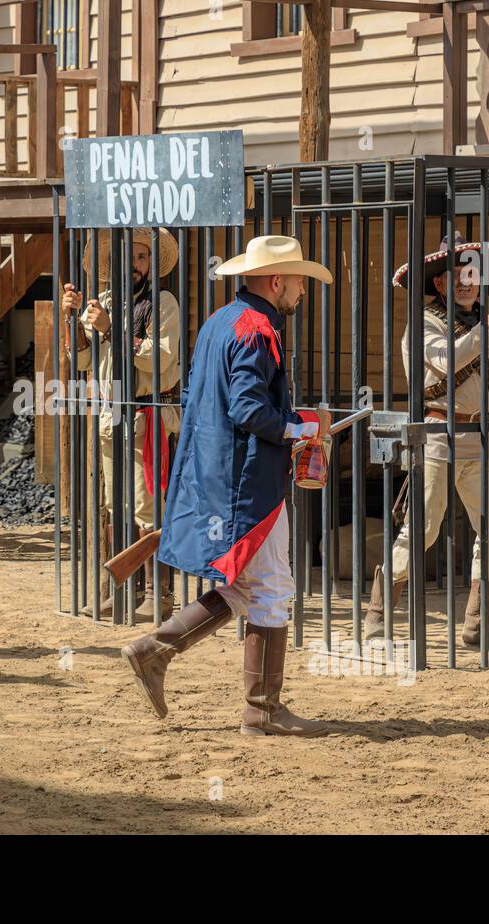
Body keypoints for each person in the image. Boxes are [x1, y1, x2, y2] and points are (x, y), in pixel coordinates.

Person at [120, 235, 333, 738]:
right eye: (298, 280)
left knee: (246, 586)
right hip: (247, 482)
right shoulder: (257, 328)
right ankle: (262, 711)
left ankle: (155, 651)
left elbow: (213, 401)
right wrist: (303, 429)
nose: (301, 291)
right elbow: (248, 409)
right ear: (277, 280)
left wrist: (293, 425)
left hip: (221, 474)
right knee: (272, 588)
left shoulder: (220, 321)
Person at [363, 235, 489, 649]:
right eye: (457, 276)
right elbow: (446, 359)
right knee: (423, 528)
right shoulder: (424, 323)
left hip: (482, 436)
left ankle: (480, 625)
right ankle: (377, 618)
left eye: (472, 274)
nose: (467, 282)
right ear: (439, 284)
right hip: (436, 435)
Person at [62, 227, 181, 620]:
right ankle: (126, 589)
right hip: (112, 418)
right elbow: (82, 361)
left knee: (149, 510)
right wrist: (72, 319)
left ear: (151, 263)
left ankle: (160, 595)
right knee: (117, 507)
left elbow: (157, 359)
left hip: (147, 416)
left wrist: (110, 328)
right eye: (129, 256)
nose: (135, 264)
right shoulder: (108, 301)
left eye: (142, 257)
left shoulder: (163, 302)